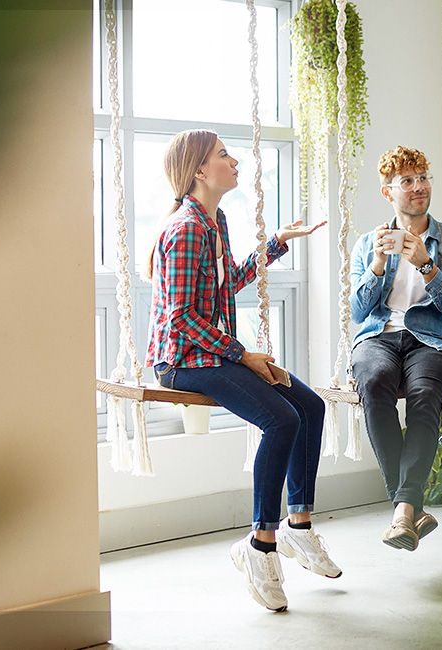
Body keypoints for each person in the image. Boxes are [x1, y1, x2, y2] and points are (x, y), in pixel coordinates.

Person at [146, 129, 340, 612]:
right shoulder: (187, 228)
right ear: (198, 171)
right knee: (282, 420)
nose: (235, 161)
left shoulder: (216, 222)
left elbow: (226, 283)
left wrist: (275, 244)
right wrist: (242, 354)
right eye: (223, 155)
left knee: (309, 407)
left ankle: (298, 525)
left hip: (211, 353)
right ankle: (260, 544)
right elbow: (180, 319)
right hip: (180, 362)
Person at [349, 146, 442, 551]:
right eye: (407, 180)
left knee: (425, 395)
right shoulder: (369, 243)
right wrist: (376, 265)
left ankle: (402, 511)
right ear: (389, 192)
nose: (419, 186)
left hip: (432, 339)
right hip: (378, 336)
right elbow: (357, 311)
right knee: (373, 382)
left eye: (423, 177)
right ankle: (409, 509)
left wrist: (427, 265)